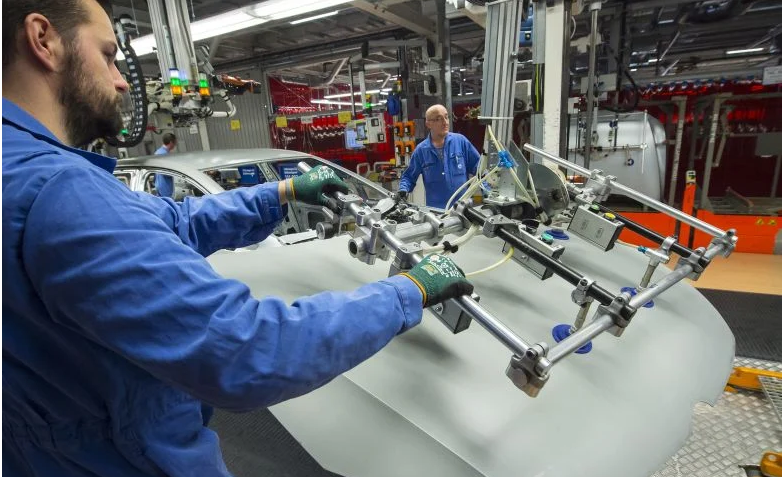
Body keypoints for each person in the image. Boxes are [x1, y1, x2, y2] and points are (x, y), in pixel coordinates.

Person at [2, 1, 474, 476]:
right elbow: (248, 349)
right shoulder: (60, 192)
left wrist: (281, 192)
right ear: (44, 39)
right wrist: (407, 291)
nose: (122, 80)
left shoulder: (16, 169)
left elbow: (175, 220)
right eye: (107, 55)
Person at [398, 104, 481, 209]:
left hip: (463, 210)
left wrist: (487, 193)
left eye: (446, 117)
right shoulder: (421, 151)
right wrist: (403, 190)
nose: (445, 122)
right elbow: (409, 177)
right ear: (428, 124)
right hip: (436, 212)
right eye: (438, 119)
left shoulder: (460, 142)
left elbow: (480, 169)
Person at [153, 132, 177, 198]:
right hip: (166, 187)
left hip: (159, 185)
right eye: (175, 142)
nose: (175, 144)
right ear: (171, 142)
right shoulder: (164, 155)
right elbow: (166, 172)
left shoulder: (158, 152)